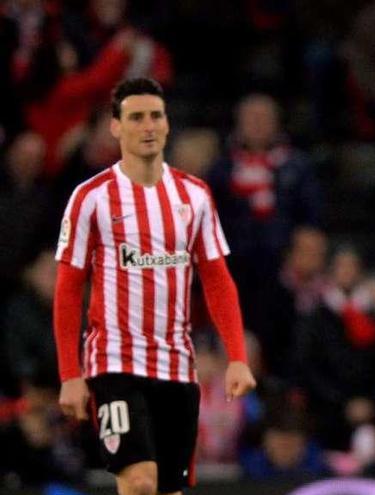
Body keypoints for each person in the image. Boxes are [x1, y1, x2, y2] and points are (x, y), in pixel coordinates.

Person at [53, 78, 256, 495]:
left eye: (155, 116)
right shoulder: (91, 198)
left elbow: (217, 278)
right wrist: (70, 374)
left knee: (168, 489)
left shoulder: (194, 195)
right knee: (140, 481)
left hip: (177, 365)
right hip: (114, 363)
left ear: (167, 124)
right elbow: (69, 287)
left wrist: (237, 356)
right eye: (136, 117)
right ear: (115, 127)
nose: (148, 126)